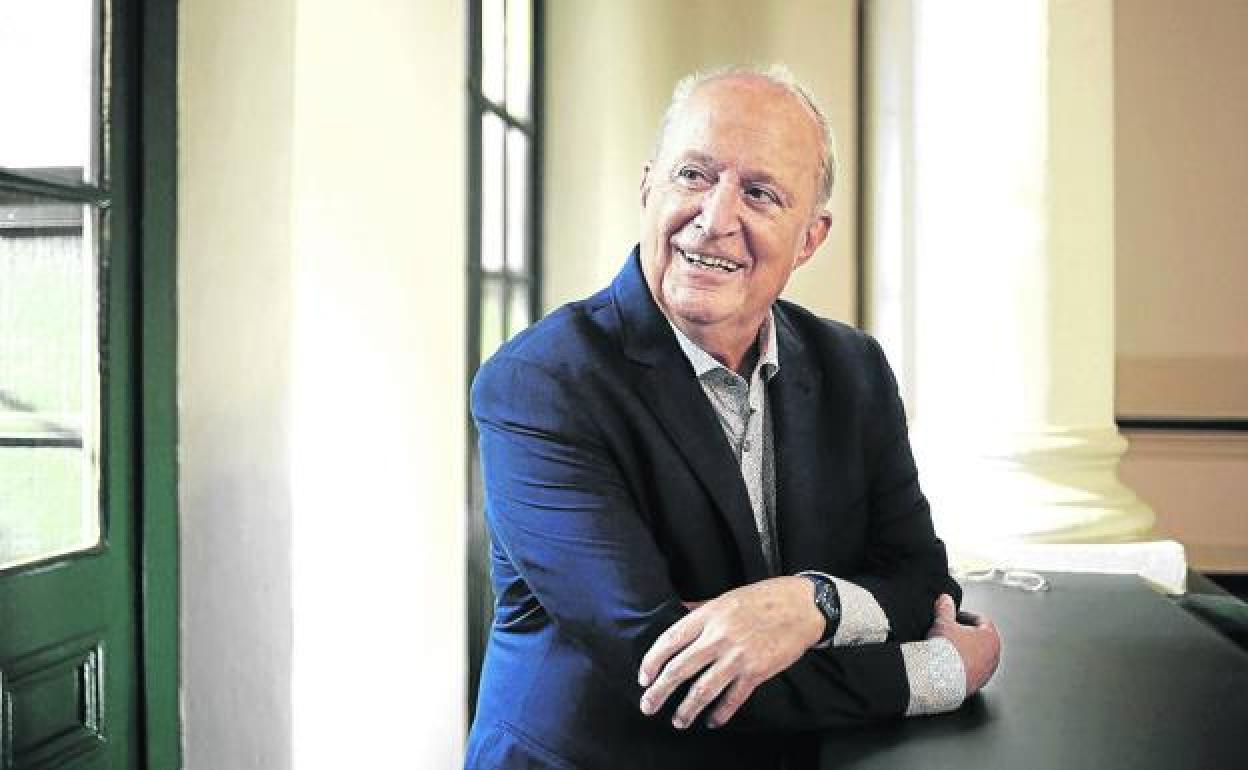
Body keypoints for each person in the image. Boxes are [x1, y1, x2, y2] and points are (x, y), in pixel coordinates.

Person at [465, 65, 1001, 770]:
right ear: (648, 187)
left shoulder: (854, 369)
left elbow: (920, 582)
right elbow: (665, 666)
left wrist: (812, 605)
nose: (715, 220)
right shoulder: (540, 384)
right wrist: (937, 674)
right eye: (693, 175)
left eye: (759, 192)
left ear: (810, 237)